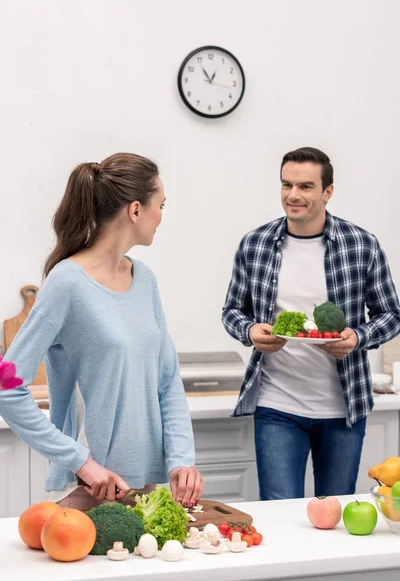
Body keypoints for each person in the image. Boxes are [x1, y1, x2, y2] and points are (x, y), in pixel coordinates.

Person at [0, 152, 202, 510]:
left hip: (147, 490)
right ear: (136, 210)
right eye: (161, 205)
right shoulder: (67, 283)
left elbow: (167, 379)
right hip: (92, 490)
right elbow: (7, 389)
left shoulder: (145, 280)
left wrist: (181, 460)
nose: (161, 217)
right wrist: (82, 463)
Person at [222, 147, 400, 501]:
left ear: (327, 191)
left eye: (305, 186)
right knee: (279, 512)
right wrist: (250, 331)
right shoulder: (255, 244)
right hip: (277, 406)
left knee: (335, 513)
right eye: (286, 184)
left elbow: (391, 315)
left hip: (343, 406)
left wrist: (358, 337)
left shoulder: (361, 245)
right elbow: (232, 311)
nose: (293, 195)